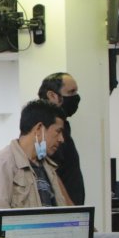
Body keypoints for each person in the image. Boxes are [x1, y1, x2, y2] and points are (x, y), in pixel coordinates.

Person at [0, 100, 72, 213]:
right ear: (39, 128)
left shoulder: (48, 167)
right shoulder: (0, 165)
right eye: (58, 131)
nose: (61, 139)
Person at [39, 72, 84, 204]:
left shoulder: (64, 127)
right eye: (71, 92)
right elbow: (50, 173)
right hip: (63, 210)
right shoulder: (46, 131)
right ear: (52, 95)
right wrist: (70, 207)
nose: (76, 97)